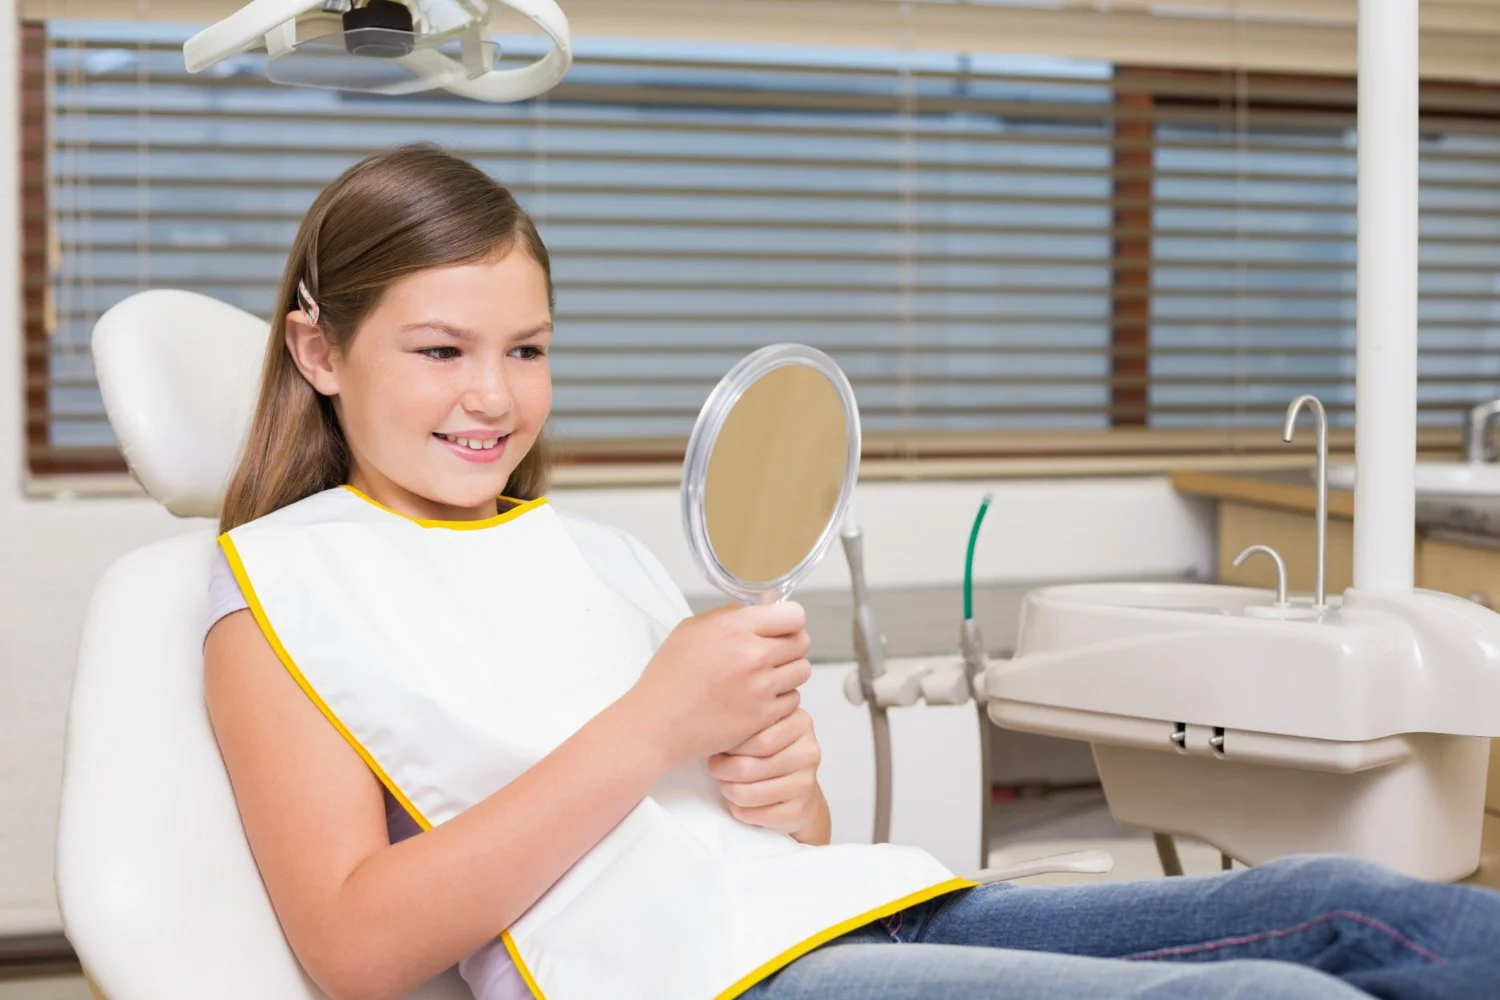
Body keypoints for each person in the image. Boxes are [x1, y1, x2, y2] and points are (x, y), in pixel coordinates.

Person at [203, 143, 1500, 1000]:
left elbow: (773, 840)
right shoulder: (276, 590)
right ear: (320, 353)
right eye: (441, 351)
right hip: (706, 980)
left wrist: (779, 787)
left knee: (1365, 913)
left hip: (848, 913)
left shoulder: (591, 554)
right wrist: (655, 720)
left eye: (526, 349)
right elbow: (354, 947)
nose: (493, 395)